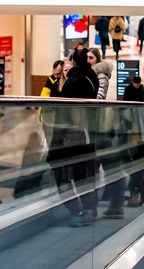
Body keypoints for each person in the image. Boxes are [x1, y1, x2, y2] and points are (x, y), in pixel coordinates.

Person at [49, 48, 100, 227]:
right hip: (87, 134)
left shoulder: (73, 82)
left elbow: (65, 113)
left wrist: (58, 139)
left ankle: (81, 211)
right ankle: (87, 209)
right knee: (83, 174)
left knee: (69, 175)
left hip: (73, 135)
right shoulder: (91, 79)